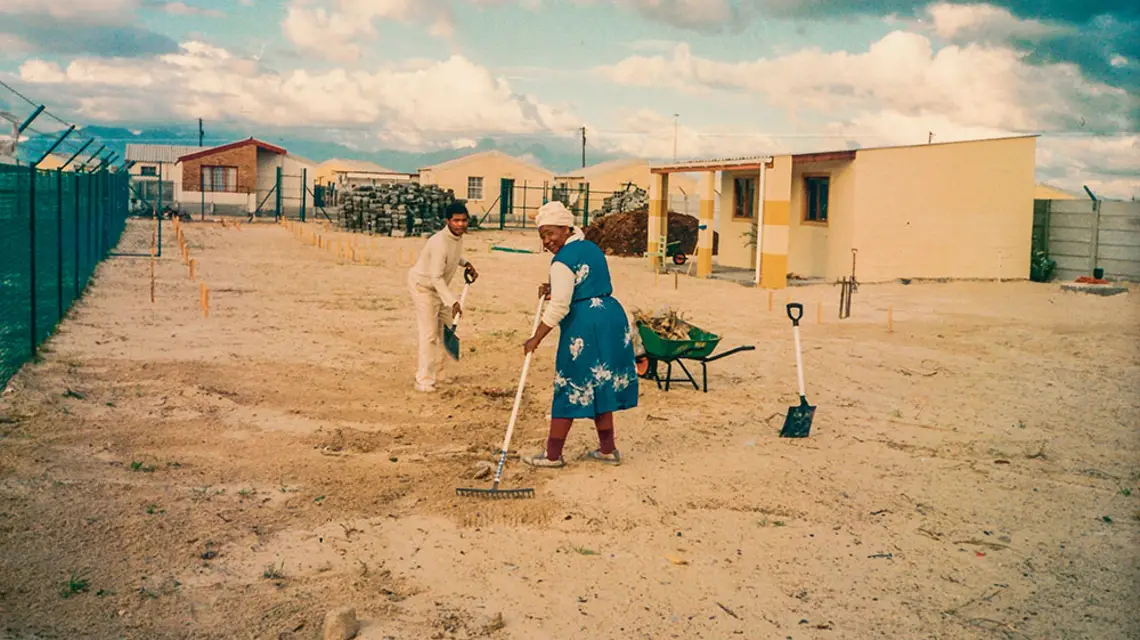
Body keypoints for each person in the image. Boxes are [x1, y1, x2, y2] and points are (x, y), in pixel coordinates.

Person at [521, 200, 638, 467]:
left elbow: (560, 305)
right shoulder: (589, 247)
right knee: (601, 383)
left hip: (586, 326)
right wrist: (554, 287)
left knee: (570, 384)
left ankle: (552, 455)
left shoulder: (561, 260)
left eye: (550, 233)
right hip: (611, 317)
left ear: (566, 228)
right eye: (543, 236)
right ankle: (608, 450)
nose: (547, 241)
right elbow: (584, 282)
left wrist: (536, 337)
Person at [407, 201, 478, 392]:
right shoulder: (438, 242)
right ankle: (424, 380)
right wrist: (453, 301)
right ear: (448, 221)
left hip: (439, 288)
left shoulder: (457, 237)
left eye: (464, 220)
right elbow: (435, 276)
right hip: (424, 287)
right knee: (429, 334)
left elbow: (453, 255)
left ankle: (441, 373)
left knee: (447, 331)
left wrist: (466, 263)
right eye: (456, 221)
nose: (461, 225)